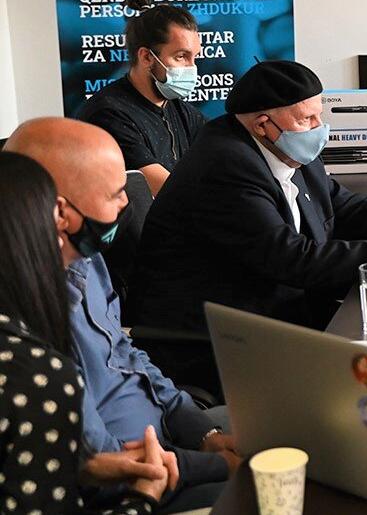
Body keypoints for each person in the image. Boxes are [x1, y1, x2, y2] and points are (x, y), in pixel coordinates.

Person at [135, 60, 367, 388]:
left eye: (319, 115)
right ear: (263, 124)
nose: (320, 127)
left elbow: (342, 204)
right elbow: (291, 258)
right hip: (217, 340)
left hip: (277, 312)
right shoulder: (224, 167)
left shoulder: (287, 147)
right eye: (308, 118)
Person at [4, 119, 237, 514]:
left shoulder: (87, 258)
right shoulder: (27, 332)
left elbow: (127, 353)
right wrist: (216, 465)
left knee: (300, 432)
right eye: (114, 193)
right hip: (135, 487)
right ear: (60, 212)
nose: (127, 203)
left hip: (170, 441)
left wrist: (203, 433)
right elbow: (96, 462)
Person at [76, 0, 206, 196]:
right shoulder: (108, 114)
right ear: (146, 57)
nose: (192, 67)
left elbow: (223, 154)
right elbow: (168, 192)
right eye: (181, 56)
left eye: (194, 57)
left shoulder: (181, 110)